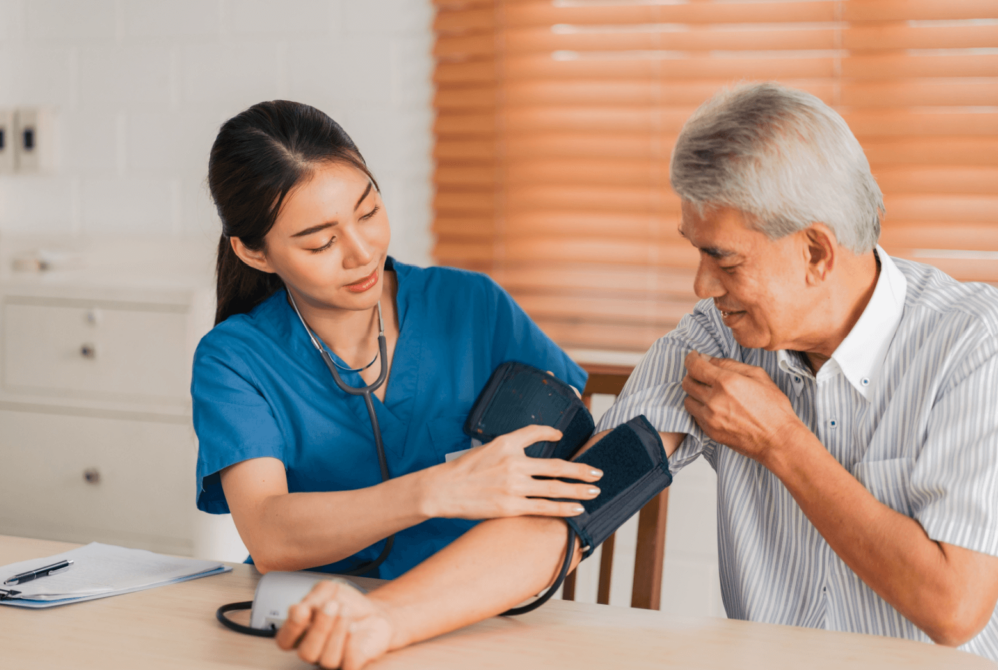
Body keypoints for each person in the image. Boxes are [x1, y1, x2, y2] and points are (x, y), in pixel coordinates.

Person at [270, 83, 998, 668]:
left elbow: (953, 607)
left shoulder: (972, 347)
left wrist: (785, 444)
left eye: (726, 260)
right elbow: (570, 511)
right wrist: (384, 619)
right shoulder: (713, 344)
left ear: (815, 251)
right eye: (696, 251)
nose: (699, 285)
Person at [191, 100, 604, 580]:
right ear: (255, 254)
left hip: (472, 604)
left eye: (368, 212)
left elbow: (570, 453)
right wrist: (438, 489)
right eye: (321, 243)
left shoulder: (472, 306)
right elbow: (270, 537)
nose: (363, 253)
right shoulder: (236, 359)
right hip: (313, 612)